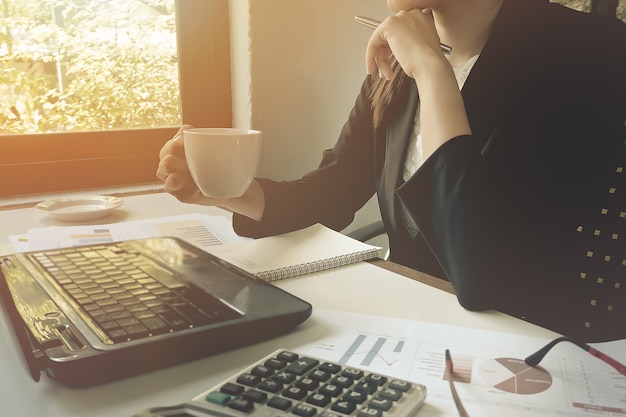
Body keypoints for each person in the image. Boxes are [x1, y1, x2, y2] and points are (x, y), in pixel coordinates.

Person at [157, 0, 626, 341]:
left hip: (532, 347)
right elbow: (331, 192)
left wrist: (431, 69)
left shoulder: (586, 52)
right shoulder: (398, 61)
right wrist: (221, 192)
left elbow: (483, 273)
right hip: (412, 323)